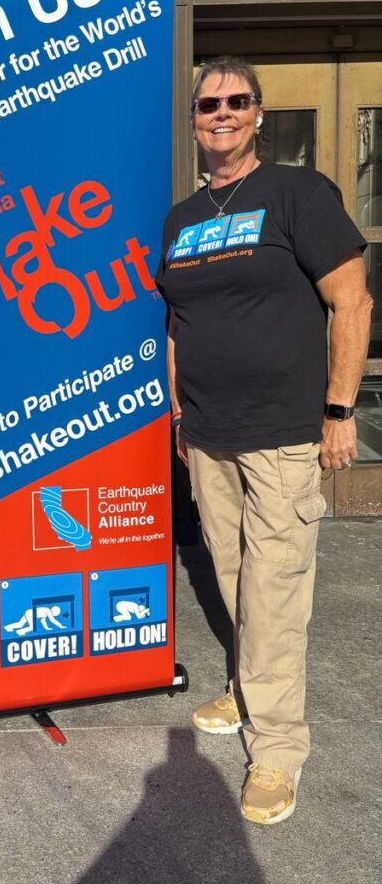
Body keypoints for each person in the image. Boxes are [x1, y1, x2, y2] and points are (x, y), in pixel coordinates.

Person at [156, 55, 372, 826]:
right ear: (193, 119)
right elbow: (179, 324)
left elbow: (352, 301)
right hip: (208, 435)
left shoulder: (297, 194)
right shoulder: (182, 219)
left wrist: (339, 412)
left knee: (276, 589)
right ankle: (250, 689)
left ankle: (277, 748)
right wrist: (181, 414)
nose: (222, 112)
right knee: (235, 573)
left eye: (236, 100)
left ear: (257, 112)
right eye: (208, 103)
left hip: (283, 433)